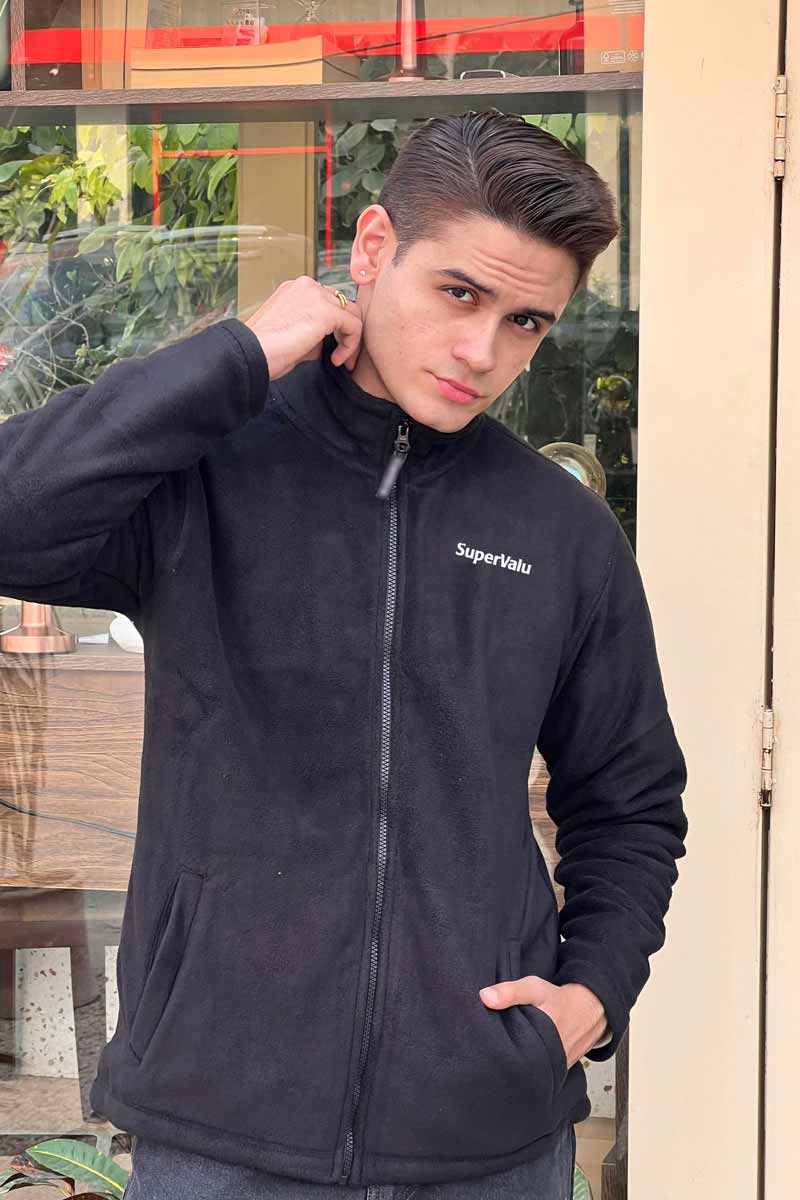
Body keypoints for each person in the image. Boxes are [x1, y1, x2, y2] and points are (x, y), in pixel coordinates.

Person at [0, 110, 688, 1199]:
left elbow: (632, 801)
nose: (482, 353)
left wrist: (591, 997)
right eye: (457, 293)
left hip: (485, 1138)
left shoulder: (557, 532)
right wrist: (237, 357)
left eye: (524, 321)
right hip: (219, 1122)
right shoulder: (210, 471)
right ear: (372, 248)